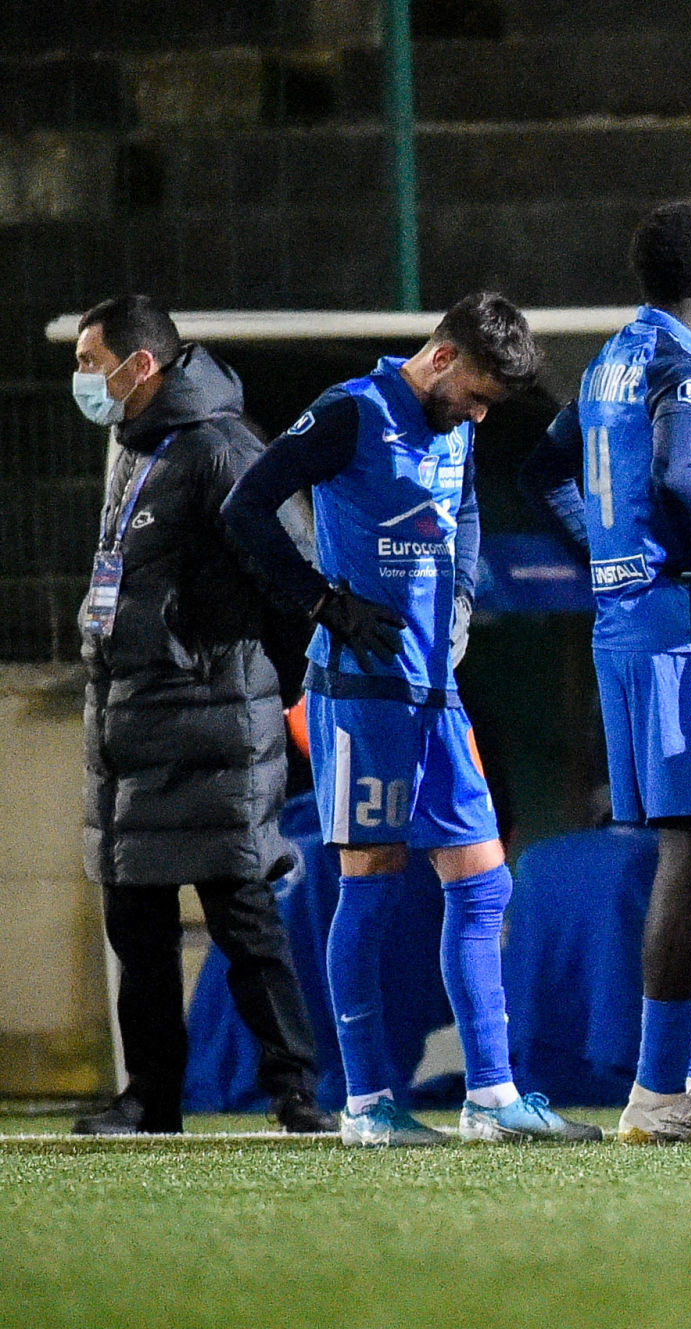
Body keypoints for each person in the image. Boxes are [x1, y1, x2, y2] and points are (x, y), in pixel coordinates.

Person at [224, 292, 597, 1147]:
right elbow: (245, 508)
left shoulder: (456, 426)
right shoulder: (352, 413)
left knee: (483, 880)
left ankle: (492, 1095)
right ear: (443, 357)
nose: (476, 413)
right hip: (360, 697)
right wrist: (322, 601)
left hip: (436, 692)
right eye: (475, 395)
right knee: (371, 882)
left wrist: (462, 594)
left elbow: (462, 511)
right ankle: (364, 1105)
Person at [517, 202, 691, 1143]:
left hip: (626, 628)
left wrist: (606, 557)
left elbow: (539, 476)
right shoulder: (683, 363)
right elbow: (675, 479)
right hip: (683, 635)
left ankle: (689, 1081)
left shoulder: (607, 360)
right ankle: (662, 1089)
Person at [69, 296, 331, 1137]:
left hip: (214, 724)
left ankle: (296, 1093)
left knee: (244, 918)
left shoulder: (220, 447)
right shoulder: (136, 448)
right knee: (135, 925)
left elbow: (292, 567)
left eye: (88, 360)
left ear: (139, 365)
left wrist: (256, 676)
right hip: (133, 730)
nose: (83, 379)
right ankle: (150, 1099)